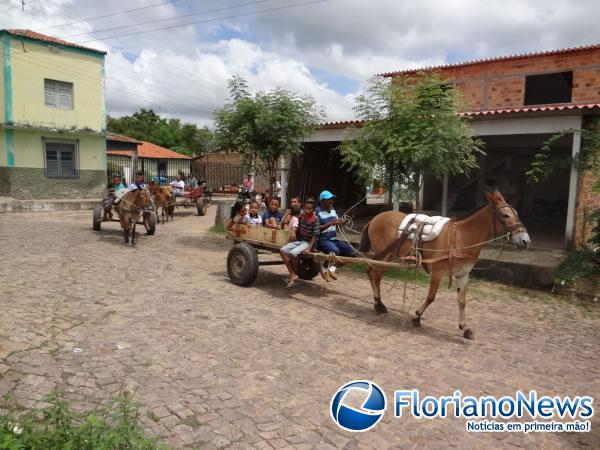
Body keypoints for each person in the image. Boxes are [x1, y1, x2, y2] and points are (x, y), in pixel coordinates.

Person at [316, 190, 357, 281]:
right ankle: (324, 268)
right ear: (322, 201)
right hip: (322, 240)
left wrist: (342, 222)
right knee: (335, 251)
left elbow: (337, 223)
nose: (331, 201)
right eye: (328, 199)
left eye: (331, 199)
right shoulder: (317, 212)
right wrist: (331, 223)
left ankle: (332, 268)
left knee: (353, 253)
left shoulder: (333, 210)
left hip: (333, 240)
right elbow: (316, 229)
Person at [280, 198, 320, 287]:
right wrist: (293, 232)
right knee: (282, 250)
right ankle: (293, 274)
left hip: (308, 243)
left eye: (309, 209)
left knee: (293, 253)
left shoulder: (315, 218)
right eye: (305, 208)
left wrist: (309, 248)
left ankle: (295, 274)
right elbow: (297, 227)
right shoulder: (302, 216)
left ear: (313, 210)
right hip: (300, 241)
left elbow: (315, 235)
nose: (306, 210)